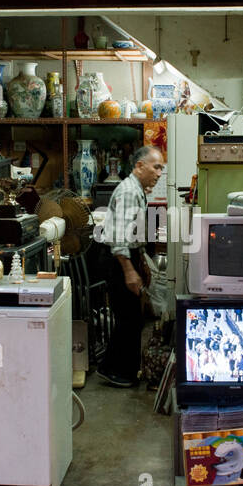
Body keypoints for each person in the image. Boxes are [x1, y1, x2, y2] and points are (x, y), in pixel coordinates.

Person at [93, 145, 164, 387]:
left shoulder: (137, 190)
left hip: (127, 257)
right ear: (139, 166)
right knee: (129, 318)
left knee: (131, 316)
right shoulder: (129, 192)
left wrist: (141, 259)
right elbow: (120, 237)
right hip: (118, 260)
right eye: (156, 167)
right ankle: (115, 371)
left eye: (161, 169)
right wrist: (129, 270)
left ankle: (120, 369)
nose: (159, 173)